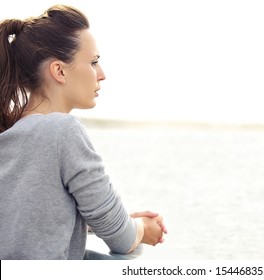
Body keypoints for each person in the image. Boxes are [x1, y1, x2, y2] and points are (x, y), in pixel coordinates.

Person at [0, 5, 167, 260]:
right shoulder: (62, 131)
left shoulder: (9, 132)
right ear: (59, 71)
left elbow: (29, 223)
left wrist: (113, 220)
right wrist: (143, 229)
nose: (102, 75)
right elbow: (121, 238)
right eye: (94, 62)